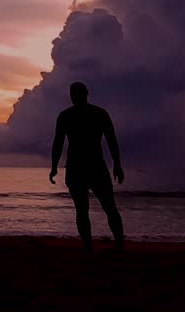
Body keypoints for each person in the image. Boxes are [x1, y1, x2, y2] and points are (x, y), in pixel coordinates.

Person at [49, 82, 125, 251]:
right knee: (98, 208)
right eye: (74, 93)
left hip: (84, 167)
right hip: (88, 167)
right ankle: (102, 245)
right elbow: (58, 142)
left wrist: (117, 165)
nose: (74, 96)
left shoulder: (69, 116)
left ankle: (98, 245)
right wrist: (54, 166)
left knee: (95, 208)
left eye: (75, 93)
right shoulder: (97, 114)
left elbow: (112, 140)